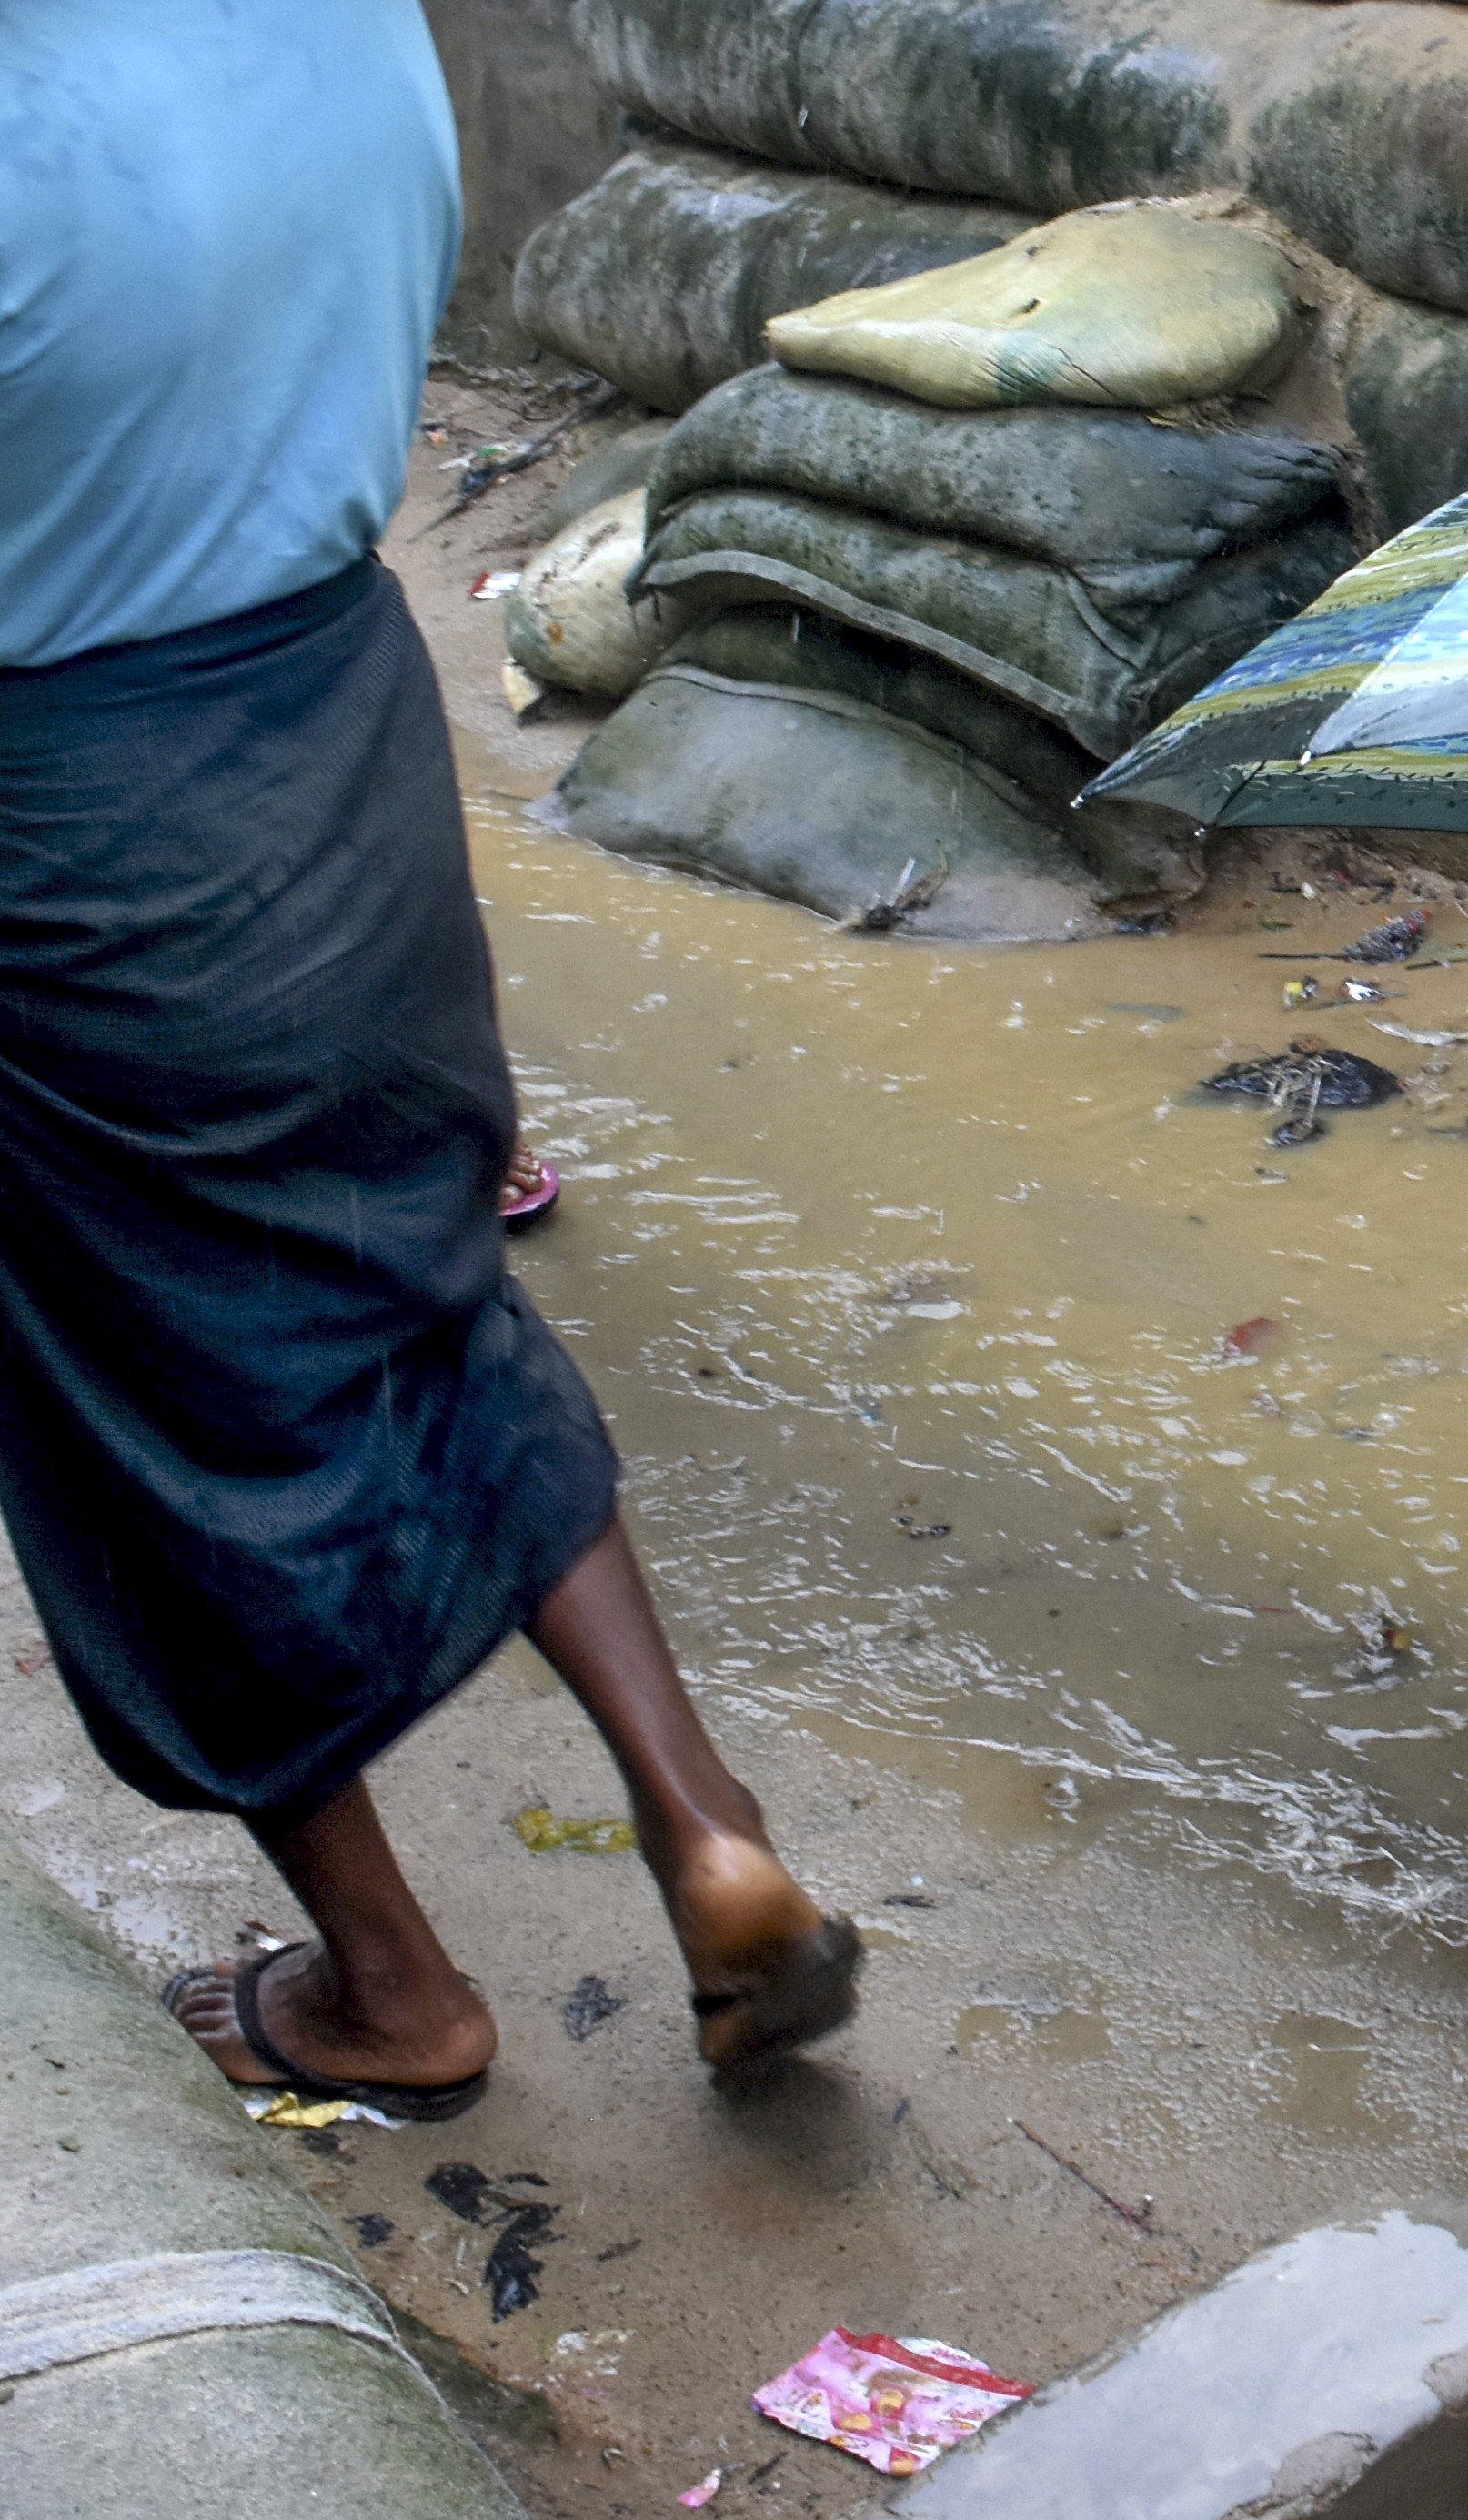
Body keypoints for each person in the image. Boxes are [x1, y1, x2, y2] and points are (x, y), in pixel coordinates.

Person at [0, 4, 857, 2117]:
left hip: (72, 813)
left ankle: (390, 1983)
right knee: (424, 1286)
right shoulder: (333, 29)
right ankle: (701, 1813)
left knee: (156, 1418)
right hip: (337, 728)